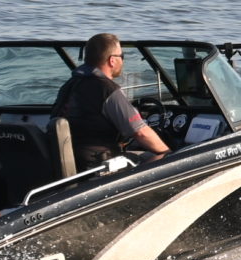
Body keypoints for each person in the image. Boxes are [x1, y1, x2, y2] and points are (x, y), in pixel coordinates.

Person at [55, 33, 171, 166]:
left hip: (72, 161)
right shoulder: (107, 90)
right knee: (158, 157)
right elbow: (141, 133)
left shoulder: (69, 85)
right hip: (98, 165)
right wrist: (170, 154)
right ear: (112, 60)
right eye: (122, 56)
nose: (123, 60)